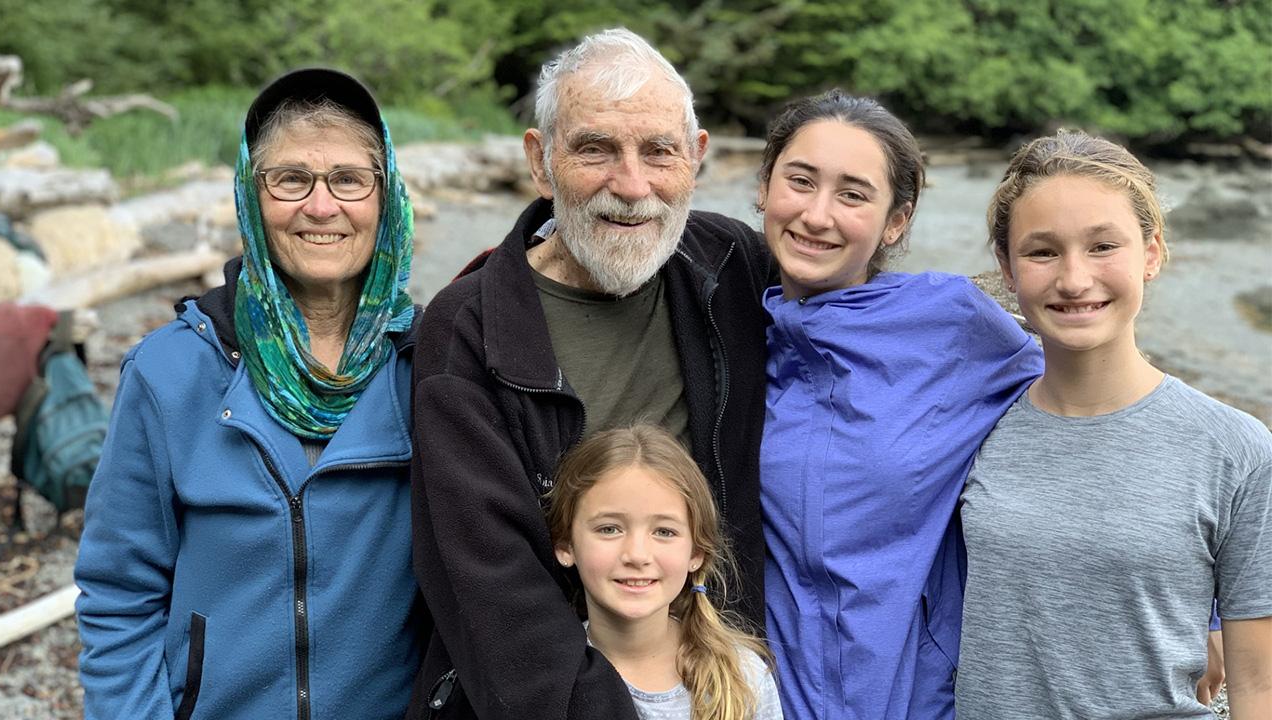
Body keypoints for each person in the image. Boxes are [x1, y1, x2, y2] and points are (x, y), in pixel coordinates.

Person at [409, 28, 773, 719]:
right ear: (540, 163)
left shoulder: (729, 267)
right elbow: (493, 593)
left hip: (711, 684)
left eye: (659, 151)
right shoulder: (469, 331)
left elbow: (851, 301)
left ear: (696, 160)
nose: (633, 187)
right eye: (595, 150)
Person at [74, 68, 422, 719]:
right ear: (248, 195)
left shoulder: (429, 367)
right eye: (290, 179)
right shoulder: (169, 372)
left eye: (349, 179)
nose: (322, 206)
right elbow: (118, 595)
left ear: (387, 195)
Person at [957, 131, 1272, 719]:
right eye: (1042, 251)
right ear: (1006, 267)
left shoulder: (1239, 450)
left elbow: (1260, 688)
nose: (1074, 280)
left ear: (1152, 253)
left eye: (1103, 246)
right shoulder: (970, 430)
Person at [756, 90, 1044, 718]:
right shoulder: (731, 327)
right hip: (769, 697)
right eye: (799, 182)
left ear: (895, 221)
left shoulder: (949, 322)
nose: (816, 214)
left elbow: (1097, 412)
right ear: (764, 186)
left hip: (917, 697)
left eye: (853, 195)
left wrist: (1206, 599)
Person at [546, 424, 783, 720]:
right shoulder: (544, 679)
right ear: (565, 544)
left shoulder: (741, 677)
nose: (636, 555)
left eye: (664, 531)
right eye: (609, 529)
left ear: (696, 553)